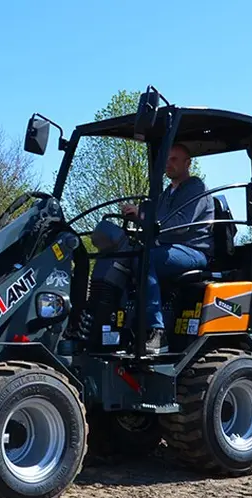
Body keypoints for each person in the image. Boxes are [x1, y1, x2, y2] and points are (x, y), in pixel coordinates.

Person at [90, 142, 214, 354]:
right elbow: (153, 224)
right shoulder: (167, 193)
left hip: (193, 250)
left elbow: (178, 226)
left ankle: (157, 332)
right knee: (125, 255)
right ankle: (112, 324)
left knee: (144, 259)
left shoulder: (195, 188)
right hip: (168, 249)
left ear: (187, 163)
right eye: (166, 159)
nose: (169, 164)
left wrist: (142, 215)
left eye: (174, 159)